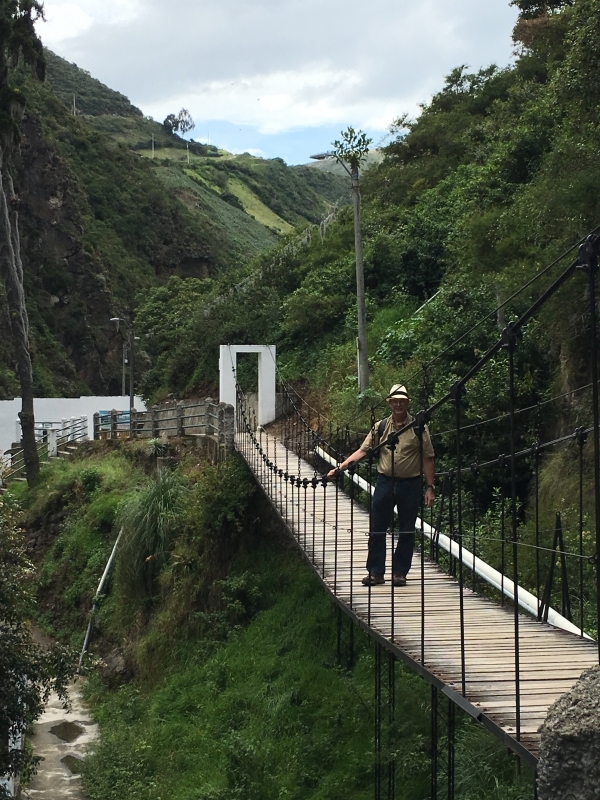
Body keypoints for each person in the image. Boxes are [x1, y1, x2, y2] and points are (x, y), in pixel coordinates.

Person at [327, 384, 435, 586]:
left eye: (402, 401)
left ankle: (400, 573)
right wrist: (340, 468)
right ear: (390, 403)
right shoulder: (381, 427)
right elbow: (363, 451)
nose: (398, 404)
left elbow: (428, 458)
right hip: (385, 482)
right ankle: (376, 573)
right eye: (395, 401)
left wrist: (430, 487)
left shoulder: (419, 427)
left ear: (407, 403)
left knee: (407, 530)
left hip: (410, 484)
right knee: (377, 528)